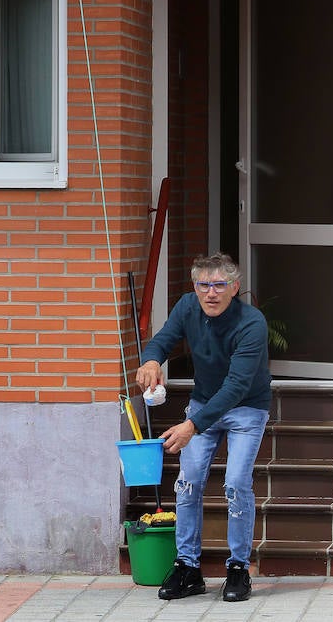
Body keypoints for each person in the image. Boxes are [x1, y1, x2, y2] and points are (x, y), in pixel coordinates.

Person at [135, 252, 271, 604]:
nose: (211, 293)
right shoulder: (186, 306)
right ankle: (188, 568)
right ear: (195, 287)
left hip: (245, 408)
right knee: (188, 483)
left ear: (234, 287)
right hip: (202, 404)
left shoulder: (251, 322)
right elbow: (164, 339)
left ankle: (238, 569)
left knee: (237, 483)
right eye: (203, 285)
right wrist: (151, 359)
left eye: (219, 285)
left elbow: (237, 385)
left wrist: (192, 425)